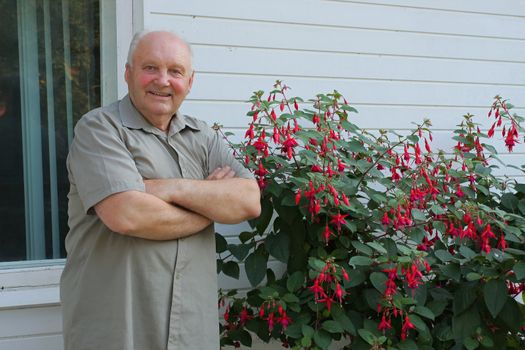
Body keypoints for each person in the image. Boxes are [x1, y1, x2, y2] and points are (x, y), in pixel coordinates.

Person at [60, 30, 261, 350]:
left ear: (190, 81)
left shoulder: (203, 137)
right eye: (150, 67)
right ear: (128, 74)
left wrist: (168, 188)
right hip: (118, 329)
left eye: (175, 71)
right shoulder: (98, 129)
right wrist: (208, 205)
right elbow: (128, 215)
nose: (163, 80)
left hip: (191, 329)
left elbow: (249, 201)